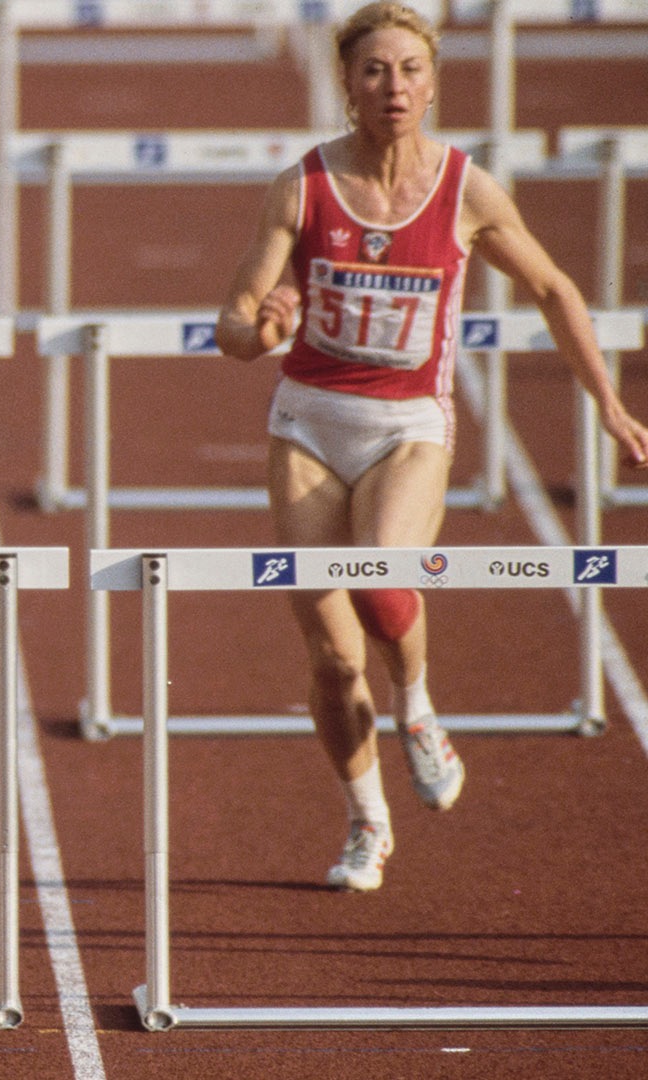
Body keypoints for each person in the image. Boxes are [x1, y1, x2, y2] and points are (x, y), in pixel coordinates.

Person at [216, 2, 648, 893]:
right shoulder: (303, 187)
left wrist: (608, 403)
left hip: (409, 425)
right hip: (309, 423)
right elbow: (233, 322)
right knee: (334, 659)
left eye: (410, 70)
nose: (393, 86)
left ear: (433, 84)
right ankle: (366, 822)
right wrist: (263, 329)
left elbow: (555, 288)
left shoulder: (467, 191)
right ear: (347, 84)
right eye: (374, 70)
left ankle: (416, 708)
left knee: (383, 577)